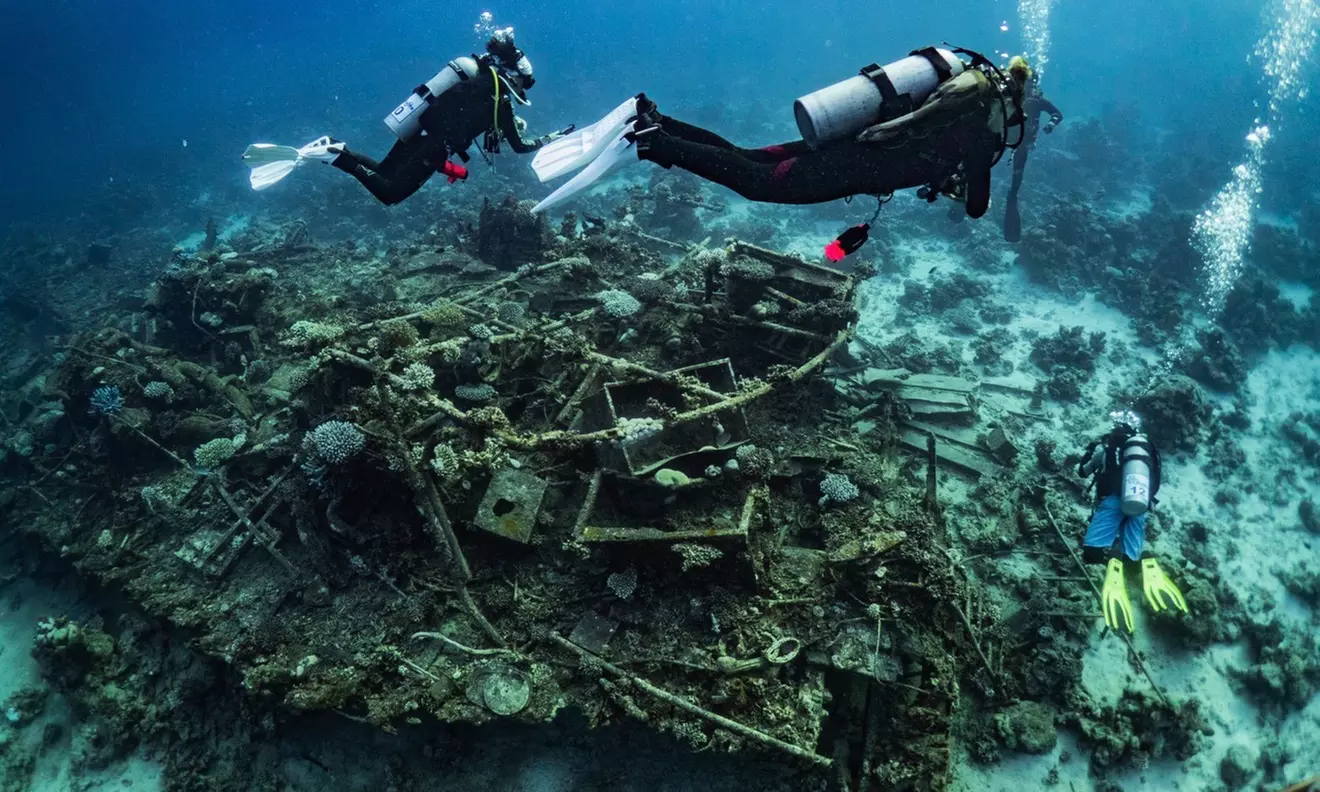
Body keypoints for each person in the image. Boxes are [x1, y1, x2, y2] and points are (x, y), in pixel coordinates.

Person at [530, 49, 1031, 229]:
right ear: (1013, 102)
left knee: (748, 158)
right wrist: (967, 175)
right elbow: (976, 208)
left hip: (850, 142)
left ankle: (655, 119)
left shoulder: (949, 96)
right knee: (756, 183)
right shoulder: (980, 131)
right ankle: (649, 142)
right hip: (856, 164)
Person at [243, 28, 567, 204]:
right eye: (523, 86)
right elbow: (519, 147)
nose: (522, 94)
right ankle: (333, 156)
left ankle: (338, 147)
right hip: (434, 146)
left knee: (384, 171)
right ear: (514, 78)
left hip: (419, 131)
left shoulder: (479, 84)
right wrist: (554, 138)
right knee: (391, 193)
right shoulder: (502, 102)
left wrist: (456, 169)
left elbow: (470, 129)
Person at [1075, 422, 1187, 633]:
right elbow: (1156, 481)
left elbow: (1082, 471)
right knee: (1132, 556)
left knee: (1091, 553)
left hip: (1111, 503)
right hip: (1140, 504)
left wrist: (1090, 449)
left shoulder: (1106, 450)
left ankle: (1108, 573)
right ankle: (1138, 566)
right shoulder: (1145, 454)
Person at [1002, 72, 1063, 242]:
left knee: (1017, 177)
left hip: (1023, 143)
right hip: (1004, 138)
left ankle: (1012, 197)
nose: (1029, 86)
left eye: (1032, 83)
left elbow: (1058, 114)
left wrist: (1051, 125)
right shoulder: (1012, 96)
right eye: (1026, 82)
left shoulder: (1038, 102)